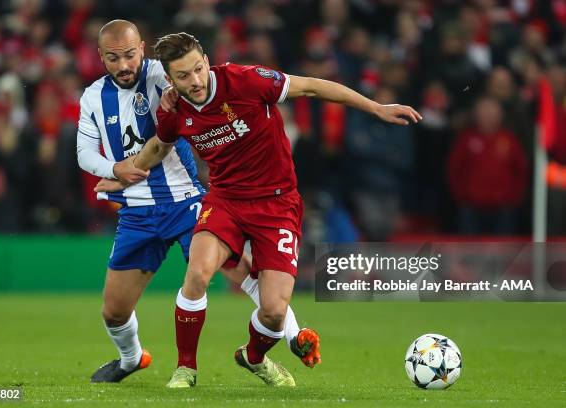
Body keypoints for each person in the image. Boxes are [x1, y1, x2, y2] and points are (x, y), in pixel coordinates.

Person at [96, 32, 419, 388]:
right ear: (169, 80)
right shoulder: (174, 110)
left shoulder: (245, 80)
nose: (196, 81)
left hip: (277, 204)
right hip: (225, 201)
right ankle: (186, 368)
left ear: (206, 60)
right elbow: (159, 147)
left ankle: (253, 357)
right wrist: (124, 174)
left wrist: (375, 108)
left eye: (199, 69)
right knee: (198, 274)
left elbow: (312, 87)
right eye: (184, 76)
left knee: (274, 312)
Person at [76, 21, 313, 384]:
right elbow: (83, 153)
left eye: (129, 54)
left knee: (237, 270)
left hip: (187, 200)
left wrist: (177, 90)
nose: (123, 65)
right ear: (101, 58)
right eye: (113, 58)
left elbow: (203, 81)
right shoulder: (93, 97)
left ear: (143, 49)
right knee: (114, 312)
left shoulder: (168, 75)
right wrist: (115, 168)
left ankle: (291, 334)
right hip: (137, 211)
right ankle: (131, 358)